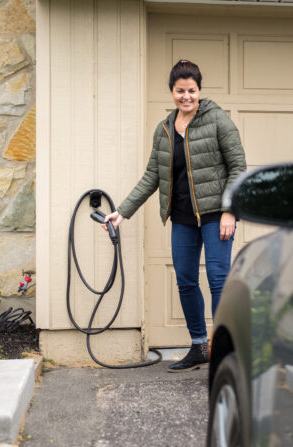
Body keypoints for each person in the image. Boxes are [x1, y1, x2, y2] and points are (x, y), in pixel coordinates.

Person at [103, 59, 246, 372]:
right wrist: (122, 213)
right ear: (172, 92)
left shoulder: (218, 119)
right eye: (180, 90)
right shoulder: (165, 130)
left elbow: (238, 167)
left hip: (215, 215)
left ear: (199, 90)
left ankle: (223, 349)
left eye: (191, 90)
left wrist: (230, 211)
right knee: (185, 280)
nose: (186, 96)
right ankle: (198, 346)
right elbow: (151, 177)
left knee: (219, 280)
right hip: (182, 217)